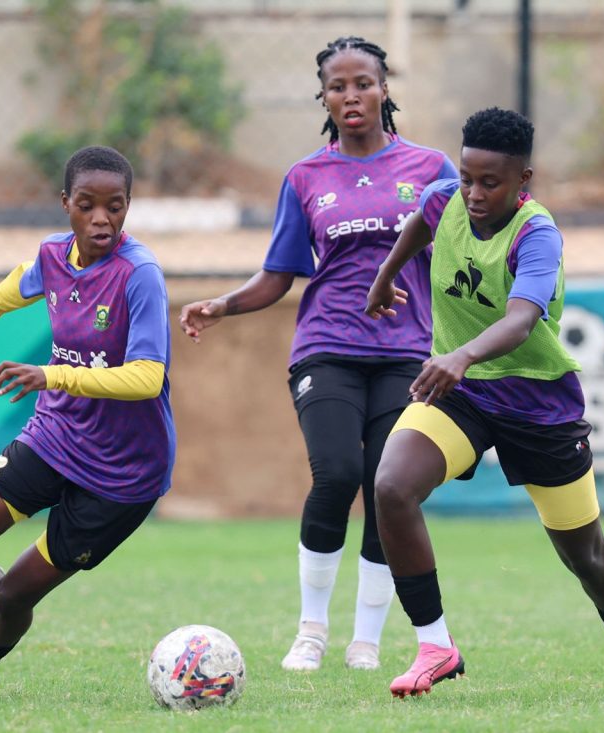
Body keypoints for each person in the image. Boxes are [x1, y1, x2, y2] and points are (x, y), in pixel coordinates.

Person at [179, 36, 458, 673]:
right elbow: (279, 274)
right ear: (324, 98)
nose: (351, 96)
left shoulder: (432, 168)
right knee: (336, 473)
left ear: (385, 89)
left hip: (407, 354)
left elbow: (464, 249)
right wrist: (223, 304)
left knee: (390, 488)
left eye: (364, 83)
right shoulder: (306, 177)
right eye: (338, 86)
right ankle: (311, 630)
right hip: (326, 347)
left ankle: (366, 638)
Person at [365, 107, 604, 697]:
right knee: (392, 487)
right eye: (468, 177)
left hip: (537, 403)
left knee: (587, 557)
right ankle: (435, 646)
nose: (472, 193)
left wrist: (462, 355)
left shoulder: (537, 234)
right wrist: (388, 272)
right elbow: (421, 221)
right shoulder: (445, 198)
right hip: (462, 394)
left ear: (524, 179)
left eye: (489, 182)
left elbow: (522, 321)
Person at [0, 145, 175, 700]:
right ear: (65, 205)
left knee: (17, 597)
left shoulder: (139, 274)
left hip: (122, 476)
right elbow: (22, 282)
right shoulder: (54, 255)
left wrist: (54, 376)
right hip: (56, 437)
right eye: (87, 205)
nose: (102, 219)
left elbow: (147, 377)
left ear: (129, 207)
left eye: (115, 207)